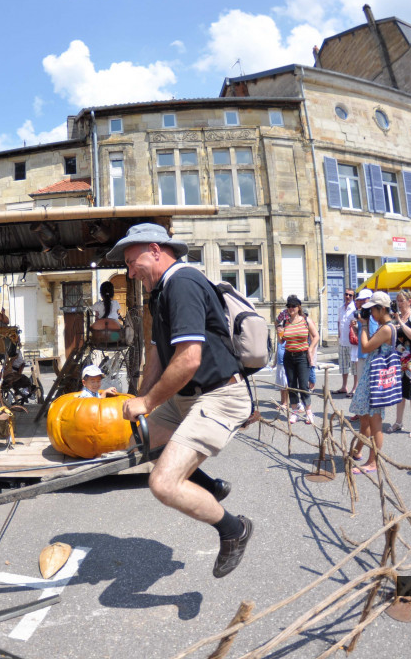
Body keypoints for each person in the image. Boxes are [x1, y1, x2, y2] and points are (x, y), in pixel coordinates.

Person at [107, 223, 251, 578]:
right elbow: (158, 352)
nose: (129, 272)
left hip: (219, 395)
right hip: (187, 396)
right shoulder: (161, 291)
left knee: (163, 483)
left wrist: (147, 402)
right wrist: (144, 398)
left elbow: (188, 360)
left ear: (156, 250)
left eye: (131, 261)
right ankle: (210, 486)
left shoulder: (183, 283)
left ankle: (234, 530)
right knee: (138, 442)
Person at [348, 292, 397, 474]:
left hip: (376, 379)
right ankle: (360, 452)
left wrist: (365, 326)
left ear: (382, 308)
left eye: (373, 310)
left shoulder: (386, 329)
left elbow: (366, 347)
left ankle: (373, 462)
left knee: (375, 421)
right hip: (373, 375)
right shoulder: (386, 326)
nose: (372, 314)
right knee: (366, 417)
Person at [281, 295, 318, 425]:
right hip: (289, 356)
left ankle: (308, 412)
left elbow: (316, 336)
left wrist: (310, 348)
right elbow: (281, 341)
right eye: (289, 306)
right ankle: (295, 411)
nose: (291, 308)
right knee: (292, 385)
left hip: (302, 356)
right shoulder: (285, 322)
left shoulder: (306, 320)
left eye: (293, 306)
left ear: (298, 307)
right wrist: (279, 332)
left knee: (303, 385)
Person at [392, 290, 411, 438]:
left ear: (409, 301)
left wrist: (399, 322)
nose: (399, 303)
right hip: (398, 360)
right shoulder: (397, 317)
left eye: (401, 300)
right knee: (400, 393)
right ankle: (398, 422)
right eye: (398, 300)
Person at [337, 288, 357, 395]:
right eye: (346, 294)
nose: (348, 297)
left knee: (354, 366)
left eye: (350, 295)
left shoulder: (355, 308)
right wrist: (339, 334)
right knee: (343, 365)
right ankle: (344, 386)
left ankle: (355, 387)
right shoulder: (341, 308)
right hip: (342, 341)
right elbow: (339, 322)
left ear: (353, 297)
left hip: (352, 342)